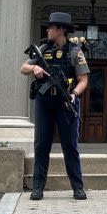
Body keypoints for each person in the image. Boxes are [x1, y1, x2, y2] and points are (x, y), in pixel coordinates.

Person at [21, 12, 88, 200]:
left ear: (60, 29)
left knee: (70, 146)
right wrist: (34, 68)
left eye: (51, 27)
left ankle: (78, 187)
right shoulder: (43, 49)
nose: (48, 29)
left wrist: (74, 93)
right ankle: (38, 187)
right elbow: (23, 68)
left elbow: (83, 80)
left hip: (66, 102)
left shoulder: (75, 52)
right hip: (44, 102)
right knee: (42, 144)